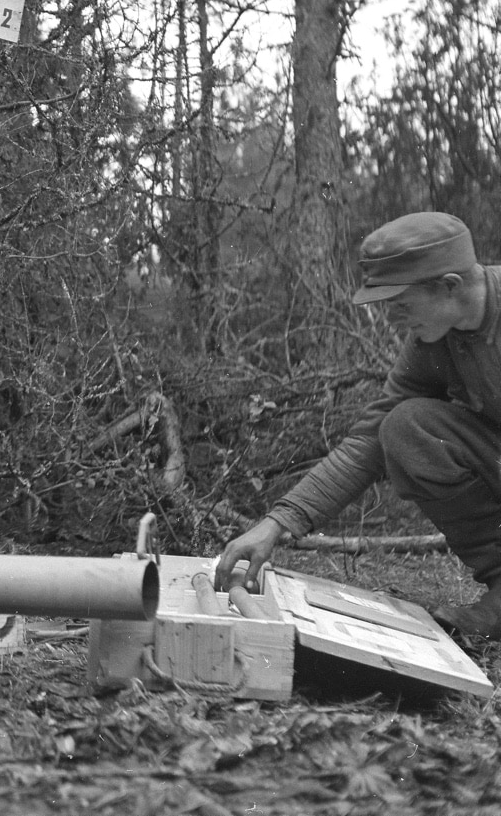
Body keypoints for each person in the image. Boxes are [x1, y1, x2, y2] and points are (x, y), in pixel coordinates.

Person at [215, 212, 501, 638]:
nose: (391, 319)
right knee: (405, 427)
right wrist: (277, 523)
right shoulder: (435, 341)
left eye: (401, 304)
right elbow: (368, 441)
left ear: (450, 287)